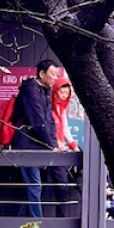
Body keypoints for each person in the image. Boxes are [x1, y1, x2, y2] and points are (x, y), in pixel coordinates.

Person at [10, 59, 60, 218]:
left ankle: (18, 226)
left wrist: (54, 142)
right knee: (34, 185)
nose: (55, 78)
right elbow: (38, 121)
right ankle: (37, 226)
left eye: (57, 75)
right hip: (27, 144)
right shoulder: (31, 91)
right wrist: (52, 145)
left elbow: (49, 121)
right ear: (42, 73)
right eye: (53, 74)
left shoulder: (45, 92)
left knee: (32, 186)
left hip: (37, 145)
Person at [45, 76, 78, 217]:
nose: (64, 96)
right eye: (61, 92)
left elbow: (64, 129)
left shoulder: (61, 108)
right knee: (56, 186)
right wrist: (56, 142)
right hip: (50, 150)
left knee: (60, 187)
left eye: (66, 94)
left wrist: (72, 145)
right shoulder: (47, 106)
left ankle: (61, 222)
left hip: (60, 150)